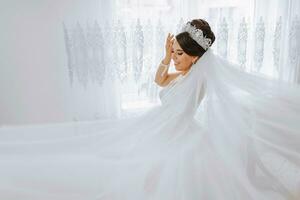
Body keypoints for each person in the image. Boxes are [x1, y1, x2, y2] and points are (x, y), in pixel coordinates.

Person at [0, 19, 300, 200]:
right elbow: (159, 81)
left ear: (196, 57)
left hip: (179, 134)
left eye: (181, 54)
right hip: (164, 128)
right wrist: (166, 55)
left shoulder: (200, 79)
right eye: (176, 53)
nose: (177, 58)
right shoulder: (183, 73)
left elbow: (195, 104)